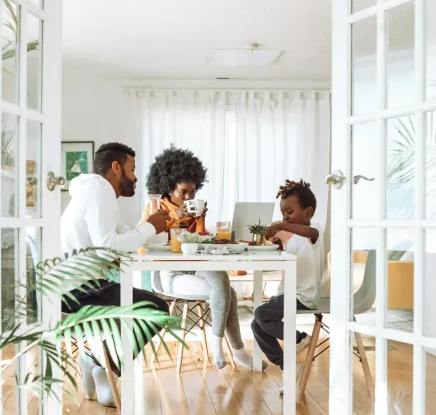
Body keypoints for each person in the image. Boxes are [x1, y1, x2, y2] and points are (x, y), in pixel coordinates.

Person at [61, 142, 171, 407]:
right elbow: (110, 245)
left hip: (80, 285)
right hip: (73, 292)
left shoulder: (96, 192)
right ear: (116, 167)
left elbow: (122, 236)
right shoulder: (99, 190)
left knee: (149, 304)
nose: (134, 177)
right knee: (157, 309)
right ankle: (100, 365)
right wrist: (149, 227)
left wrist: (150, 227)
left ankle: (97, 362)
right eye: (132, 169)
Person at [139, 146, 261, 370]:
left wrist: (201, 221)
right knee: (228, 291)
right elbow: (143, 238)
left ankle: (228, 347)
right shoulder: (155, 208)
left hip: (195, 267)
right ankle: (232, 349)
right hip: (171, 274)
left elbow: (197, 243)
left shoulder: (193, 209)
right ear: (167, 187)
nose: (189, 197)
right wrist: (176, 216)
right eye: (183, 192)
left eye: (193, 192)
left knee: (223, 282)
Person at [250, 179, 325, 386]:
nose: (285, 217)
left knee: (261, 314)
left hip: (304, 296)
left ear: (308, 211)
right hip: (287, 294)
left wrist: (282, 226)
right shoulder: (294, 239)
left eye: (289, 212)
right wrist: (280, 244)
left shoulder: (315, 231)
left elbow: (311, 234)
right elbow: (291, 262)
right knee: (257, 325)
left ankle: (300, 338)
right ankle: (288, 367)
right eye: (283, 213)